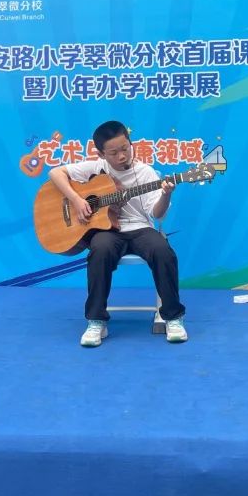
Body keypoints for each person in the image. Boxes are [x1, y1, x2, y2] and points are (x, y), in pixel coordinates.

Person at [48, 120, 187, 347]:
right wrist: (77, 199)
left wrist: (166, 194)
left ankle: (172, 317)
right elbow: (55, 172)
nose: (122, 156)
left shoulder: (145, 172)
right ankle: (96, 321)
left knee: (162, 250)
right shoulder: (95, 168)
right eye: (113, 153)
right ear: (101, 154)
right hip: (108, 230)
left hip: (141, 228)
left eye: (125, 148)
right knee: (99, 250)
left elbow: (157, 214)